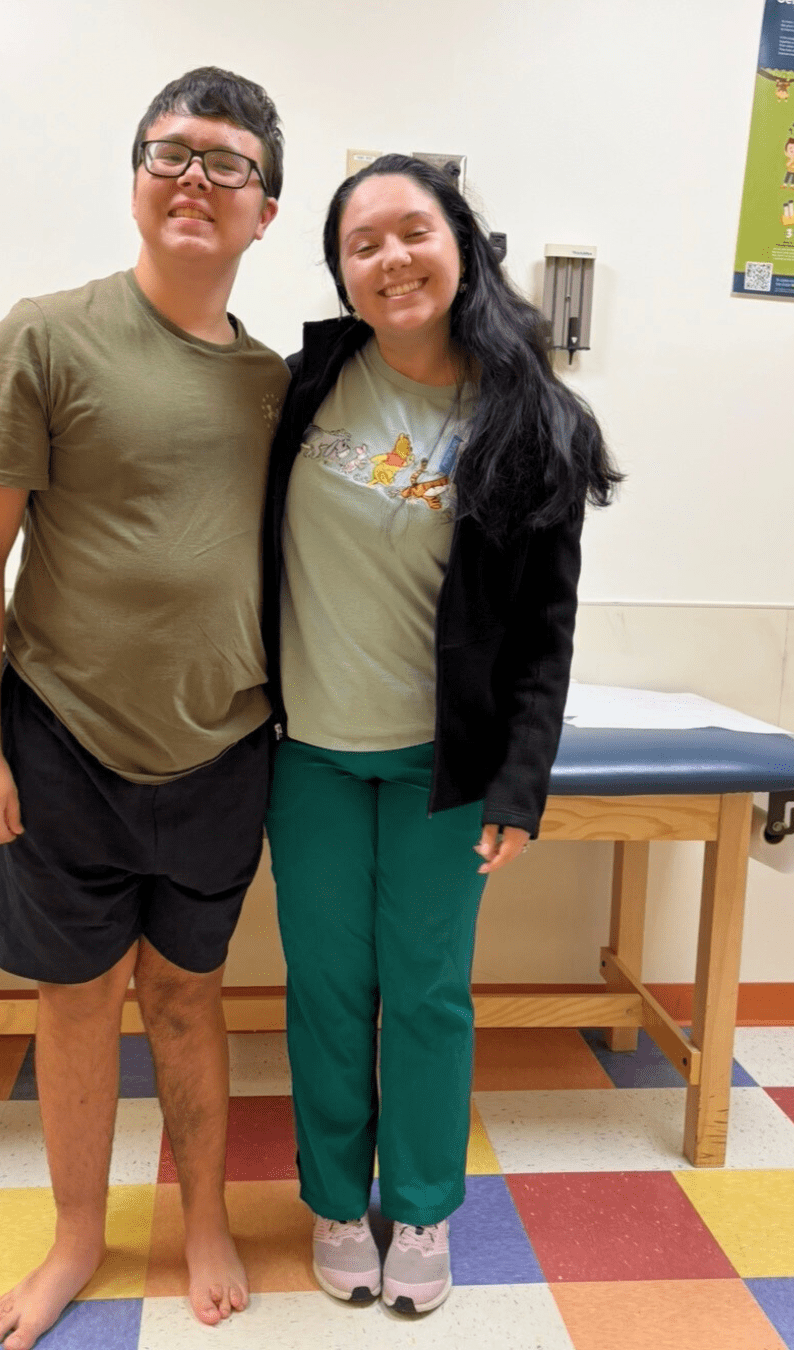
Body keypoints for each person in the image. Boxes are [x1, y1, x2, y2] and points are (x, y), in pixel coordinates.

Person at [0, 67, 288, 1345]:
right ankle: (79, 1235)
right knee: (77, 1000)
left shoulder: (282, 390)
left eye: (229, 162)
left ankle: (204, 1217)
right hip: (59, 736)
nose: (195, 176)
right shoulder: (46, 336)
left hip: (226, 744)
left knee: (191, 996)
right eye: (170, 152)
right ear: (136, 180)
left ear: (265, 212)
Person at [261, 154, 620, 1315]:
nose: (389, 259)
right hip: (306, 754)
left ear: (460, 241)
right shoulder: (309, 381)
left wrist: (520, 784)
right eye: (360, 245)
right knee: (323, 989)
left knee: (424, 992)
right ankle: (332, 1198)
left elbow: (543, 635)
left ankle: (418, 1209)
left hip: (441, 772)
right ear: (342, 276)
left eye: (410, 230)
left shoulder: (528, 418)